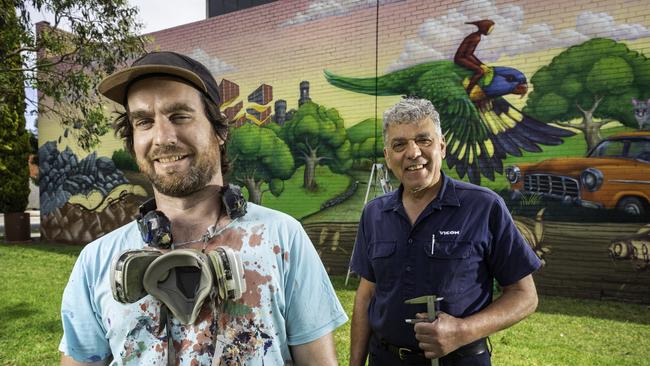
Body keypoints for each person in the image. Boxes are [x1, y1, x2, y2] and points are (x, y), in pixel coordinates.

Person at [59, 51, 348, 366]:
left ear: (220, 130)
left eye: (180, 115)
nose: (163, 137)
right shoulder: (97, 261)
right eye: (144, 121)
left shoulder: (283, 237)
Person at [349, 98, 541, 366]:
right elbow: (367, 294)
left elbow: (525, 296)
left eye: (423, 140)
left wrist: (463, 331)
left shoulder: (483, 206)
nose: (413, 152)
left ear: (442, 147)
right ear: (387, 156)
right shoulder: (374, 214)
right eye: (399, 144)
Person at [454, 19, 495, 96]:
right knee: (480, 71)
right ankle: (467, 92)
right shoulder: (476, 37)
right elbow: (468, 55)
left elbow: (470, 54)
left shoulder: (476, 36)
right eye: (490, 29)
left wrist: (481, 64)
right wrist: (480, 65)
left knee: (482, 68)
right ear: (484, 28)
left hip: (463, 57)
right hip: (460, 58)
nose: (491, 31)